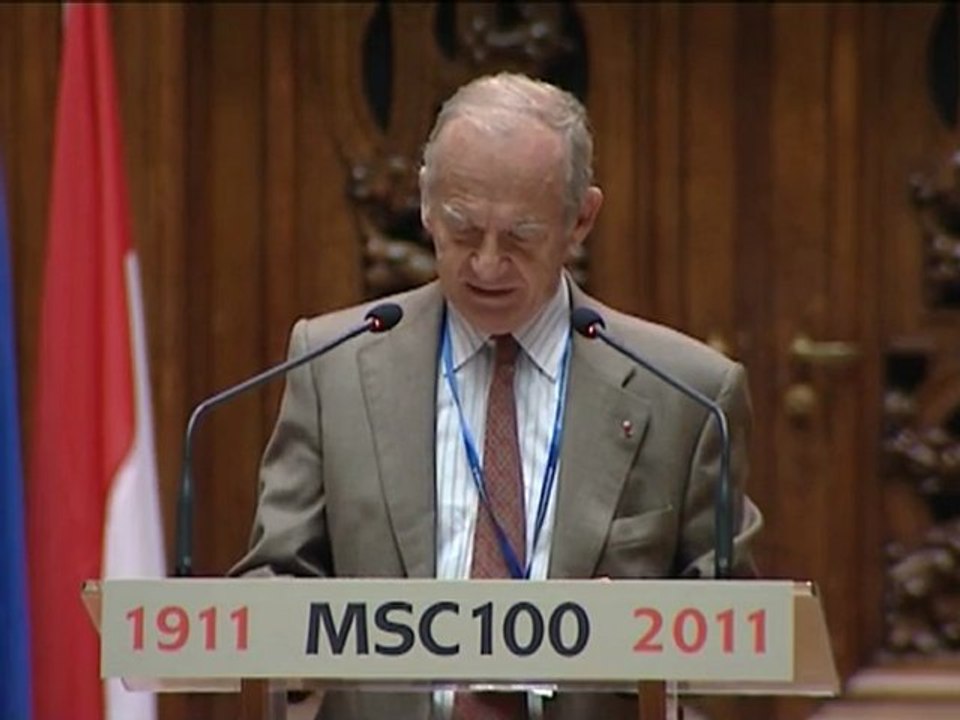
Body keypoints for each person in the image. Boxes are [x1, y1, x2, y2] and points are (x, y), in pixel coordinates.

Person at [231, 72, 762, 720]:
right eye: (461, 229)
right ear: (426, 207)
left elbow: (741, 643)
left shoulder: (689, 394)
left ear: (580, 221)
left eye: (520, 237)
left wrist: (635, 645)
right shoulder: (336, 364)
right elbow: (272, 587)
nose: (485, 264)